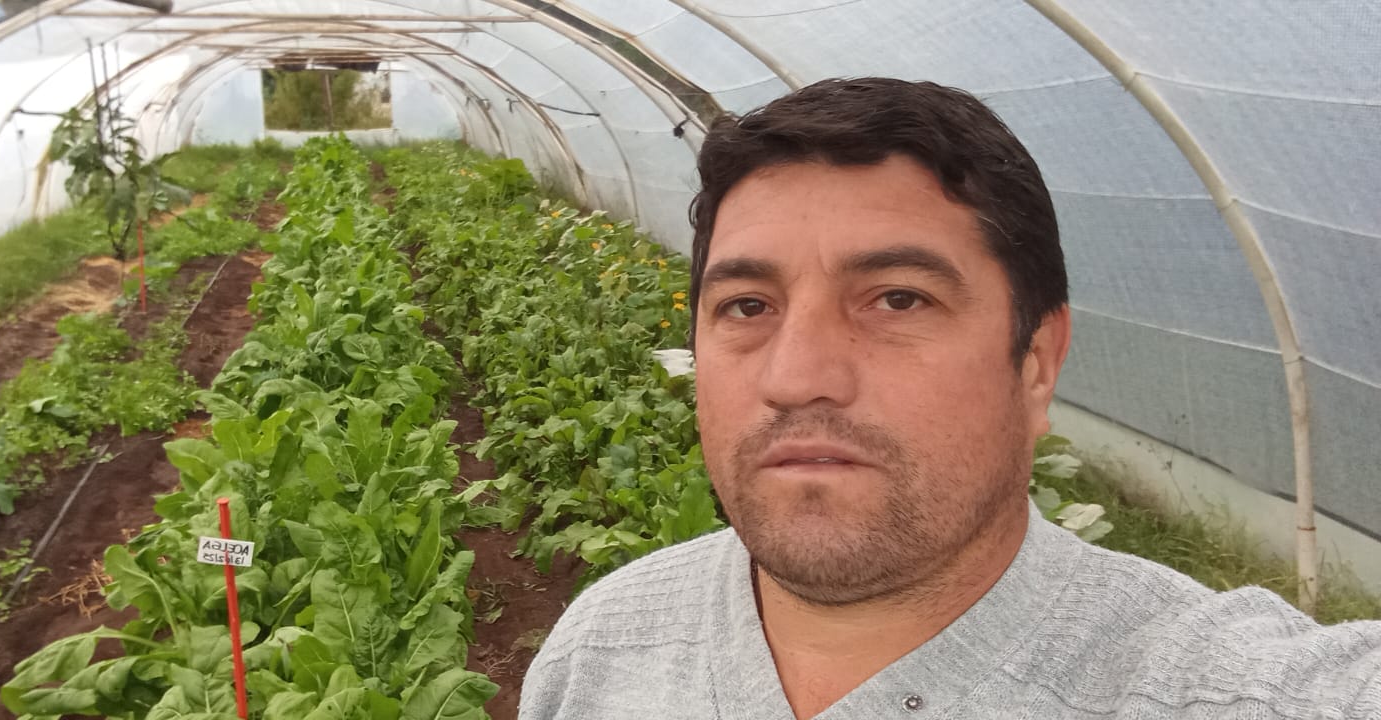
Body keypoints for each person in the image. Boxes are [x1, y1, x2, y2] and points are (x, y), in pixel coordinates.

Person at [518, 78, 1381, 719]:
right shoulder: (606, 645)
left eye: (897, 298)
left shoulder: (1214, 688)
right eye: (748, 307)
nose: (794, 376)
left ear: (1037, 361)